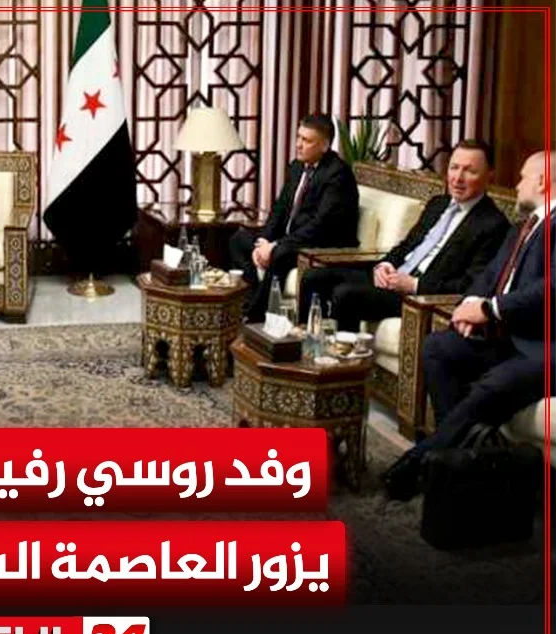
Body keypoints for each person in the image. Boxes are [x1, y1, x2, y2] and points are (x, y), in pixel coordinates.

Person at [382, 149, 556, 501]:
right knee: (438, 348)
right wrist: (468, 307)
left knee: (492, 386)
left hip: (542, 346)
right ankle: (462, 463)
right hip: (507, 337)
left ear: (542, 181)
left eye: (522, 177)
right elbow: (489, 276)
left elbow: (551, 288)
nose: (517, 185)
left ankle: (422, 461)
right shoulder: (525, 226)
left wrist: (490, 309)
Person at [297, 139, 509, 330]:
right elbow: (407, 245)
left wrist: (414, 285)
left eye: (470, 171)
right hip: (393, 278)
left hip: (418, 297)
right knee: (314, 277)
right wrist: (385, 265)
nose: (458, 178)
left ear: (489, 176)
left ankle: (343, 358)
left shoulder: (493, 224)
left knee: (345, 294)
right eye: (454, 168)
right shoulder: (438, 204)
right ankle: (304, 347)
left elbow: (470, 284)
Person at [228, 113, 359, 322]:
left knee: (279, 254)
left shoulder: (338, 175)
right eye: (298, 137)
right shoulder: (297, 167)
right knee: (239, 239)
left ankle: (255, 316)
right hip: (292, 239)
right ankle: (250, 302)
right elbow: (279, 209)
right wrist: (264, 241)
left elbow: (319, 225)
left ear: (325, 146)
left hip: (320, 245)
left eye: (306, 140)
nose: (298, 145)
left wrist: (275, 245)